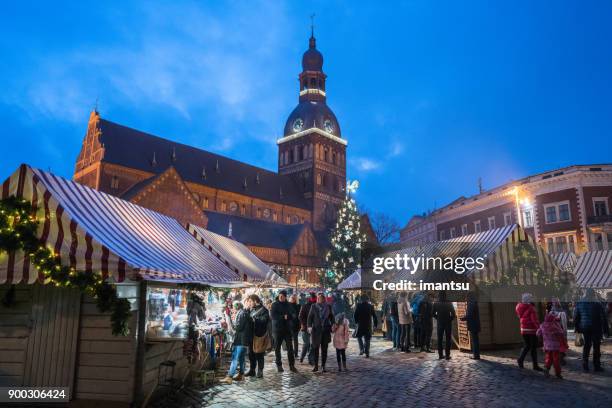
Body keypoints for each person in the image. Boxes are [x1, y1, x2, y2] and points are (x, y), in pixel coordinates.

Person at [574, 288, 609, 372]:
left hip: (585, 327)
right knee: (596, 347)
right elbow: (603, 317)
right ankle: (596, 366)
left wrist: (577, 328)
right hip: (596, 327)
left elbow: (576, 317)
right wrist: (606, 330)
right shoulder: (597, 303)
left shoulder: (580, 303)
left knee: (587, 345)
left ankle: (585, 365)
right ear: (593, 294)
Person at [222, 301, 252, 383]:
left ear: (237, 307)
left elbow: (238, 327)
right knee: (241, 358)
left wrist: (231, 322)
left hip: (241, 340)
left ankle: (229, 377)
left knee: (235, 358)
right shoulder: (243, 313)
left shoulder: (241, 314)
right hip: (243, 340)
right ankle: (241, 375)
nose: (232, 308)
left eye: (233, 307)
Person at [270, 290, 298, 372]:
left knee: (290, 348)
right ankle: (279, 365)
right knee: (277, 348)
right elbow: (273, 316)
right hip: (277, 330)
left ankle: (292, 365)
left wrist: (288, 316)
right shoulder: (275, 304)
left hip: (287, 329)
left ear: (285, 297)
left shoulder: (289, 305)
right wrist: (283, 317)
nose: (281, 297)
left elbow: (294, 314)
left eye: (282, 296)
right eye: (280, 296)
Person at [308, 292, 334, 372]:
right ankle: (316, 366)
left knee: (324, 349)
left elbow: (331, 317)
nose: (320, 299)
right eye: (319, 298)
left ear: (324, 298)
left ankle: (323, 366)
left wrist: (333, 324)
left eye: (322, 298)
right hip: (316, 330)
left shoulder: (328, 306)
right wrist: (309, 326)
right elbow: (310, 318)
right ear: (317, 299)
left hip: (325, 330)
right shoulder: (314, 306)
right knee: (316, 349)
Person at [516, 293, 543, 371]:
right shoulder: (531, 308)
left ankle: (520, 359)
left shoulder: (519, 307)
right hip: (531, 330)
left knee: (527, 346)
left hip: (523, 329)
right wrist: (539, 328)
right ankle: (535, 366)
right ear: (528, 300)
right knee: (533, 348)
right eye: (531, 298)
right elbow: (534, 320)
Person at [247, 294, 270, 378]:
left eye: (250, 301)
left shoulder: (264, 310)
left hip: (259, 335)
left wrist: (255, 319)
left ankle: (260, 371)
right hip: (251, 335)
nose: (249, 303)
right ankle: (252, 370)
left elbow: (264, 320)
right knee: (251, 354)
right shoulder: (251, 309)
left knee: (259, 354)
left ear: (255, 301)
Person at [537, 312, 565, 379]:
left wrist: (541, 337)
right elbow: (561, 333)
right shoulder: (555, 325)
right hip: (555, 347)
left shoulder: (542, 325)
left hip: (547, 346)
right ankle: (558, 373)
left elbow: (538, 333)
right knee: (556, 360)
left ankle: (546, 369)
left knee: (548, 358)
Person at [433, 291, 455, 360]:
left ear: (439, 295)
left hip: (440, 322)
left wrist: (438, 318)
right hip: (448, 322)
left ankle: (440, 355)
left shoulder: (436, 303)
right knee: (448, 339)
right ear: (445, 295)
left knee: (440, 339)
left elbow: (433, 313)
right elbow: (453, 314)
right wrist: (450, 319)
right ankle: (447, 355)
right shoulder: (449, 302)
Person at [460, 292, 481, 360]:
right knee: (476, 340)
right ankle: (476, 355)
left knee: (475, 341)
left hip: (473, 324)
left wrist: (463, 318)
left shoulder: (471, 303)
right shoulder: (474, 302)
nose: (466, 298)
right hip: (476, 324)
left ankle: (476, 356)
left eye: (466, 297)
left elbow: (470, 314)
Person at [548, 297, 568, 365]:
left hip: (555, 331)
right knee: (560, 345)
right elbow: (564, 324)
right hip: (559, 331)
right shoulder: (561, 312)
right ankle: (560, 359)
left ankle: (557, 359)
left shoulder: (551, 312)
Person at [299, 292, 316, 365]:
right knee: (307, 343)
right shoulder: (305, 306)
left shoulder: (317, 306)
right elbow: (300, 316)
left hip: (314, 328)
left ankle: (310, 359)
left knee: (312, 344)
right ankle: (302, 357)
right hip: (306, 327)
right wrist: (304, 324)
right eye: (312, 297)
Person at [288, 294, 301, 359]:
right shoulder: (287, 305)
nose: (292, 299)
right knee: (290, 340)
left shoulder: (298, 306)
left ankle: (295, 353)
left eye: (294, 298)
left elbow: (299, 315)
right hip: (289, 324)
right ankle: (291, 352)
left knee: (295, 339)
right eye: (291, 298)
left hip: (296, 324)